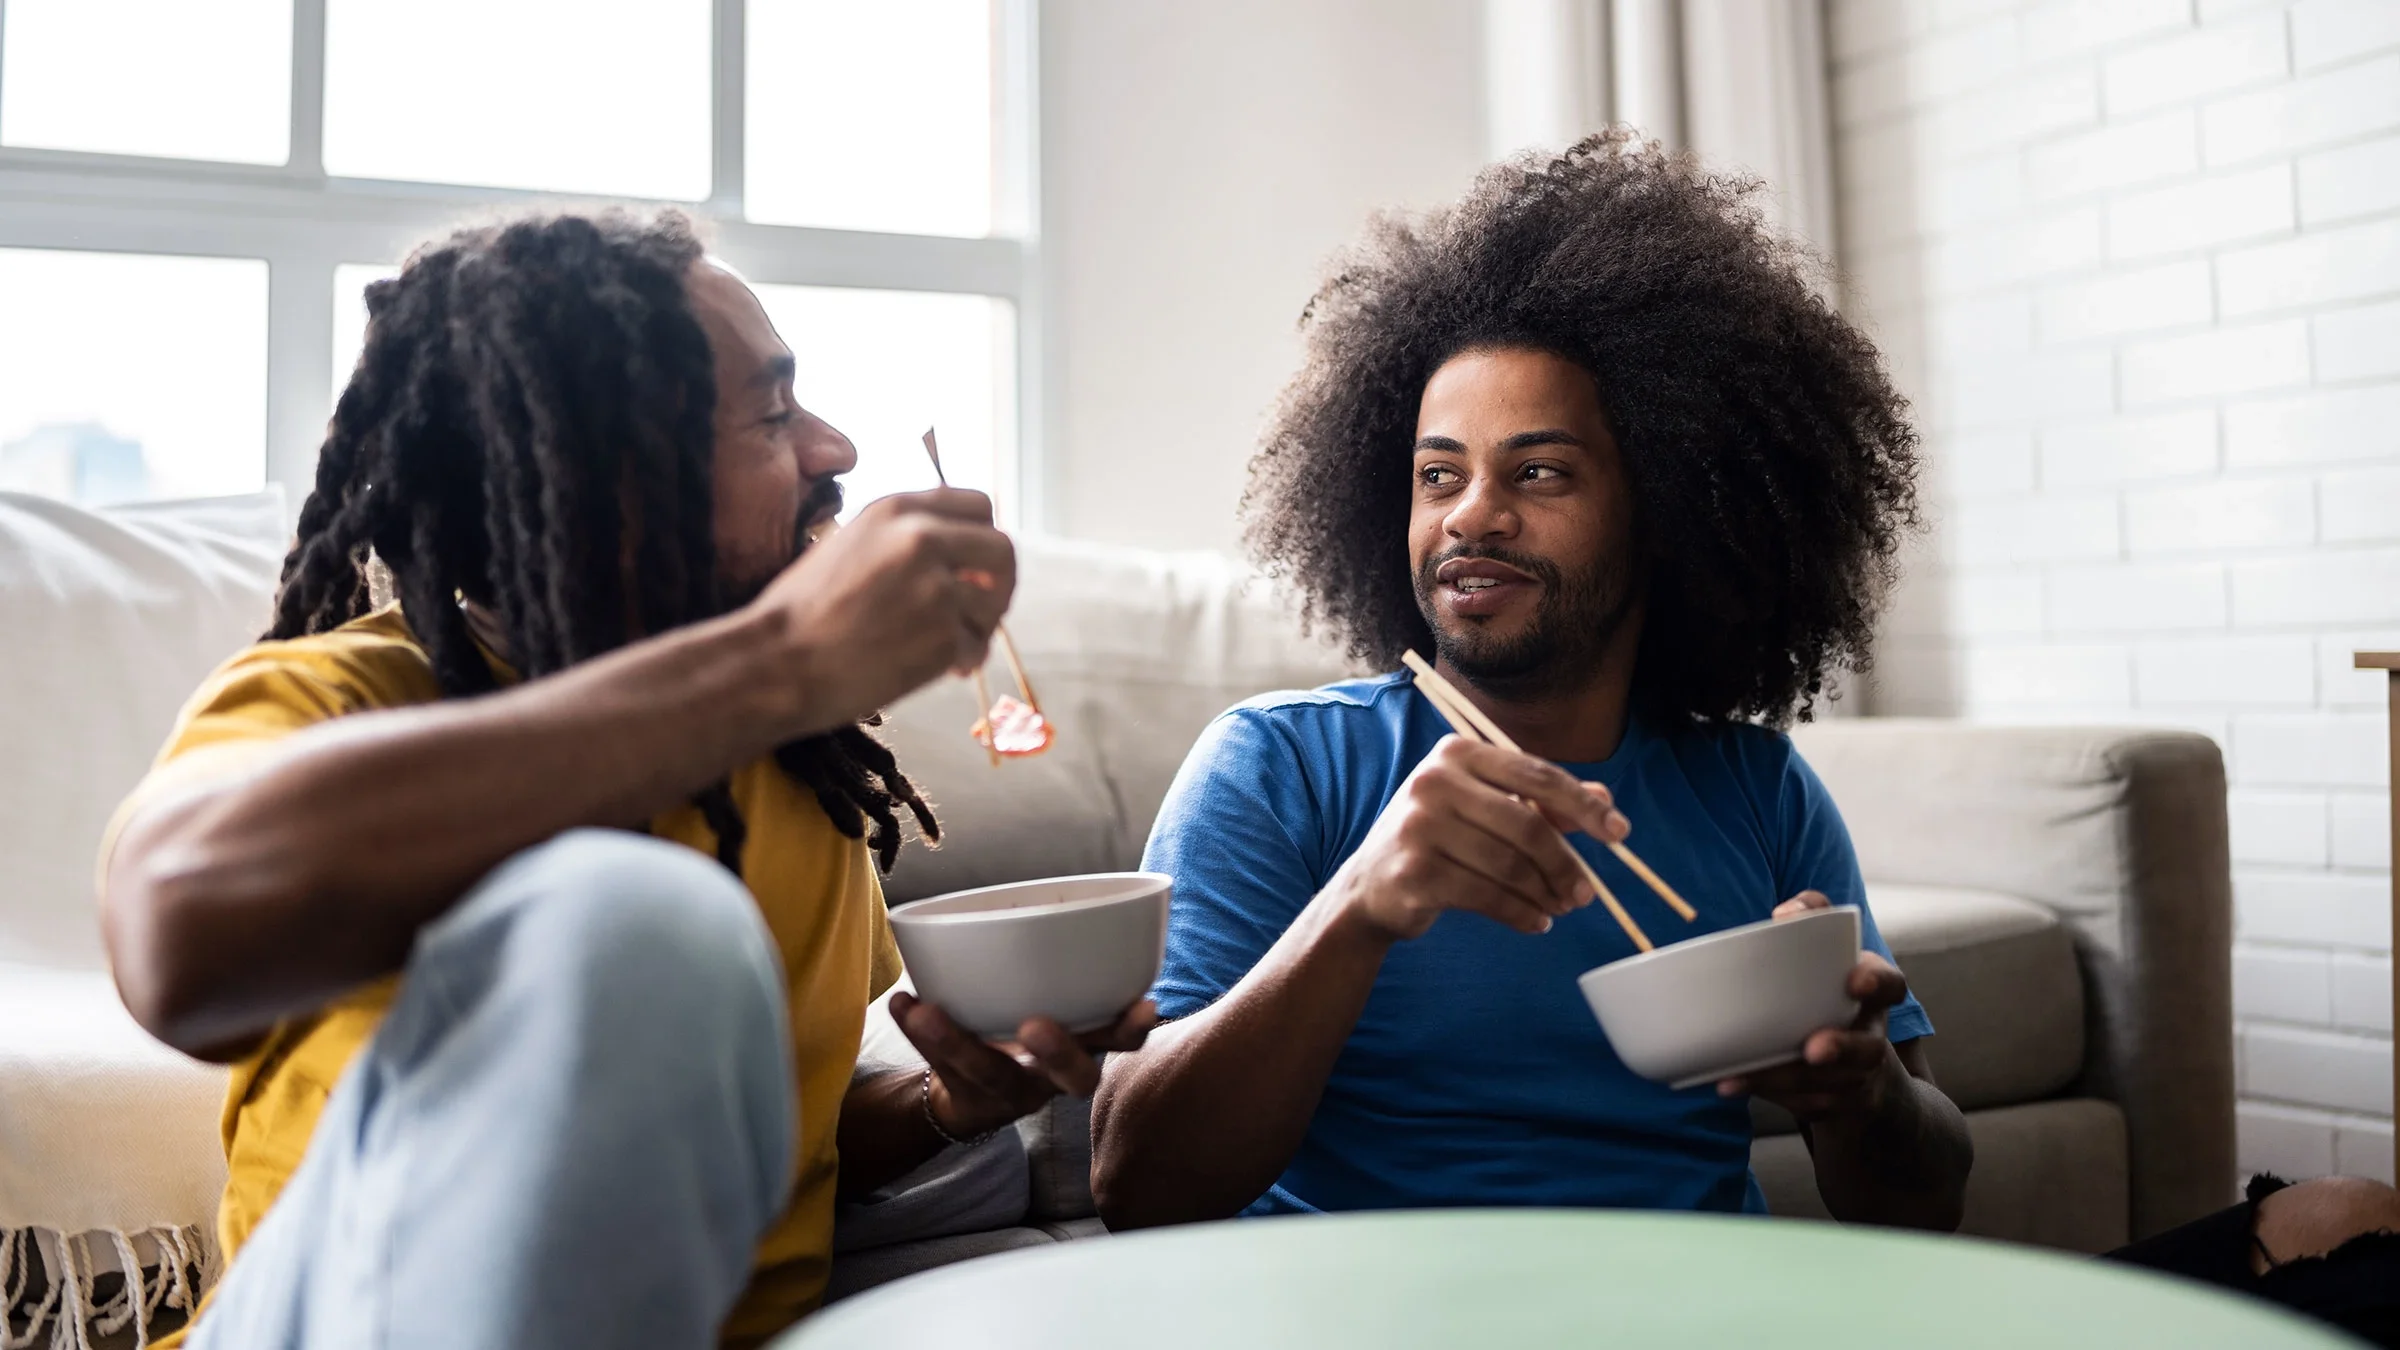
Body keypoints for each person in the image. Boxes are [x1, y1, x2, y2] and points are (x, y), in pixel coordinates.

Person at [1092, 132, 2400, 1348]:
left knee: (2344, 1223)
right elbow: (1135, 1180)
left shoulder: (1754, 788)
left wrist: (1858, 1095)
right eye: (1440, 474)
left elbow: (1918, 1203)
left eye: (1538, 472)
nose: (1471, 516)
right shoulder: (1278, 767)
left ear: (1668, 507)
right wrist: (1365, 905)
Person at [98, 208, 1152, 1350]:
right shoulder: (350, 697)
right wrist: (782, 661)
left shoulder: (799, 768)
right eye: (771, 414)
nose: (835, 450)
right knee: (642, 919)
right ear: (610, 477)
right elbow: (173, 939)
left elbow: (747, 1139)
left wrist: (949, 1107)